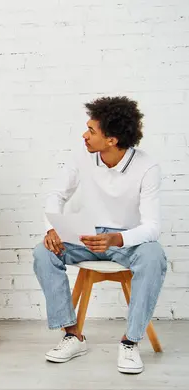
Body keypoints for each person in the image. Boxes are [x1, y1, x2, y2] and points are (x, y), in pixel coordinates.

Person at [33, 96, 167, 374]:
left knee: (154, 256)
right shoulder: (82, 156)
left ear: (112, 140)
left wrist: (117, 239)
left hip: (127, 240)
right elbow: (56, 194)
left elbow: (153, 227)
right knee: (42, 252)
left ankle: (130, 342)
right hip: (86, 235)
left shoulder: (147, 167)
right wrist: (51, 228)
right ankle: (73, 335)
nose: (84, 135)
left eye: (92, 130)